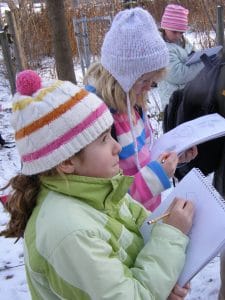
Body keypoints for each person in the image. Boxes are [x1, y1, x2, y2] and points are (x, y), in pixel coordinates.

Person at [0, 69, 194, 299]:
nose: (117, 147)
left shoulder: (101, 190)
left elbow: (138, 247)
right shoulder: (68, 233)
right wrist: (171, 235)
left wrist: (164, 284)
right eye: (103, 139)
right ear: (66, 161)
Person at [84, 7, 197, 211]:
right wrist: (157, 176)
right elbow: (107, 199)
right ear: (121, 75)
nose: (148, 88)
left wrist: (173, 159)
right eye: (144, 80)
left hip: (146, 214)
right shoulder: (99, 120)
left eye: (152, 81)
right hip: (125, 227)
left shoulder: (132, 102)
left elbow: (142, 156)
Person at [157, 4, 204, 110]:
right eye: (174, 32)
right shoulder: (162, 49)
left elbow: (194, 54)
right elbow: (179, 75)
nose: (178, 36)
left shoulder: (182, 41)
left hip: (189, 96)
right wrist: (203, 63)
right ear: (164, 27)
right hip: (173, 101)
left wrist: (199, 56)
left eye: (181, 32)